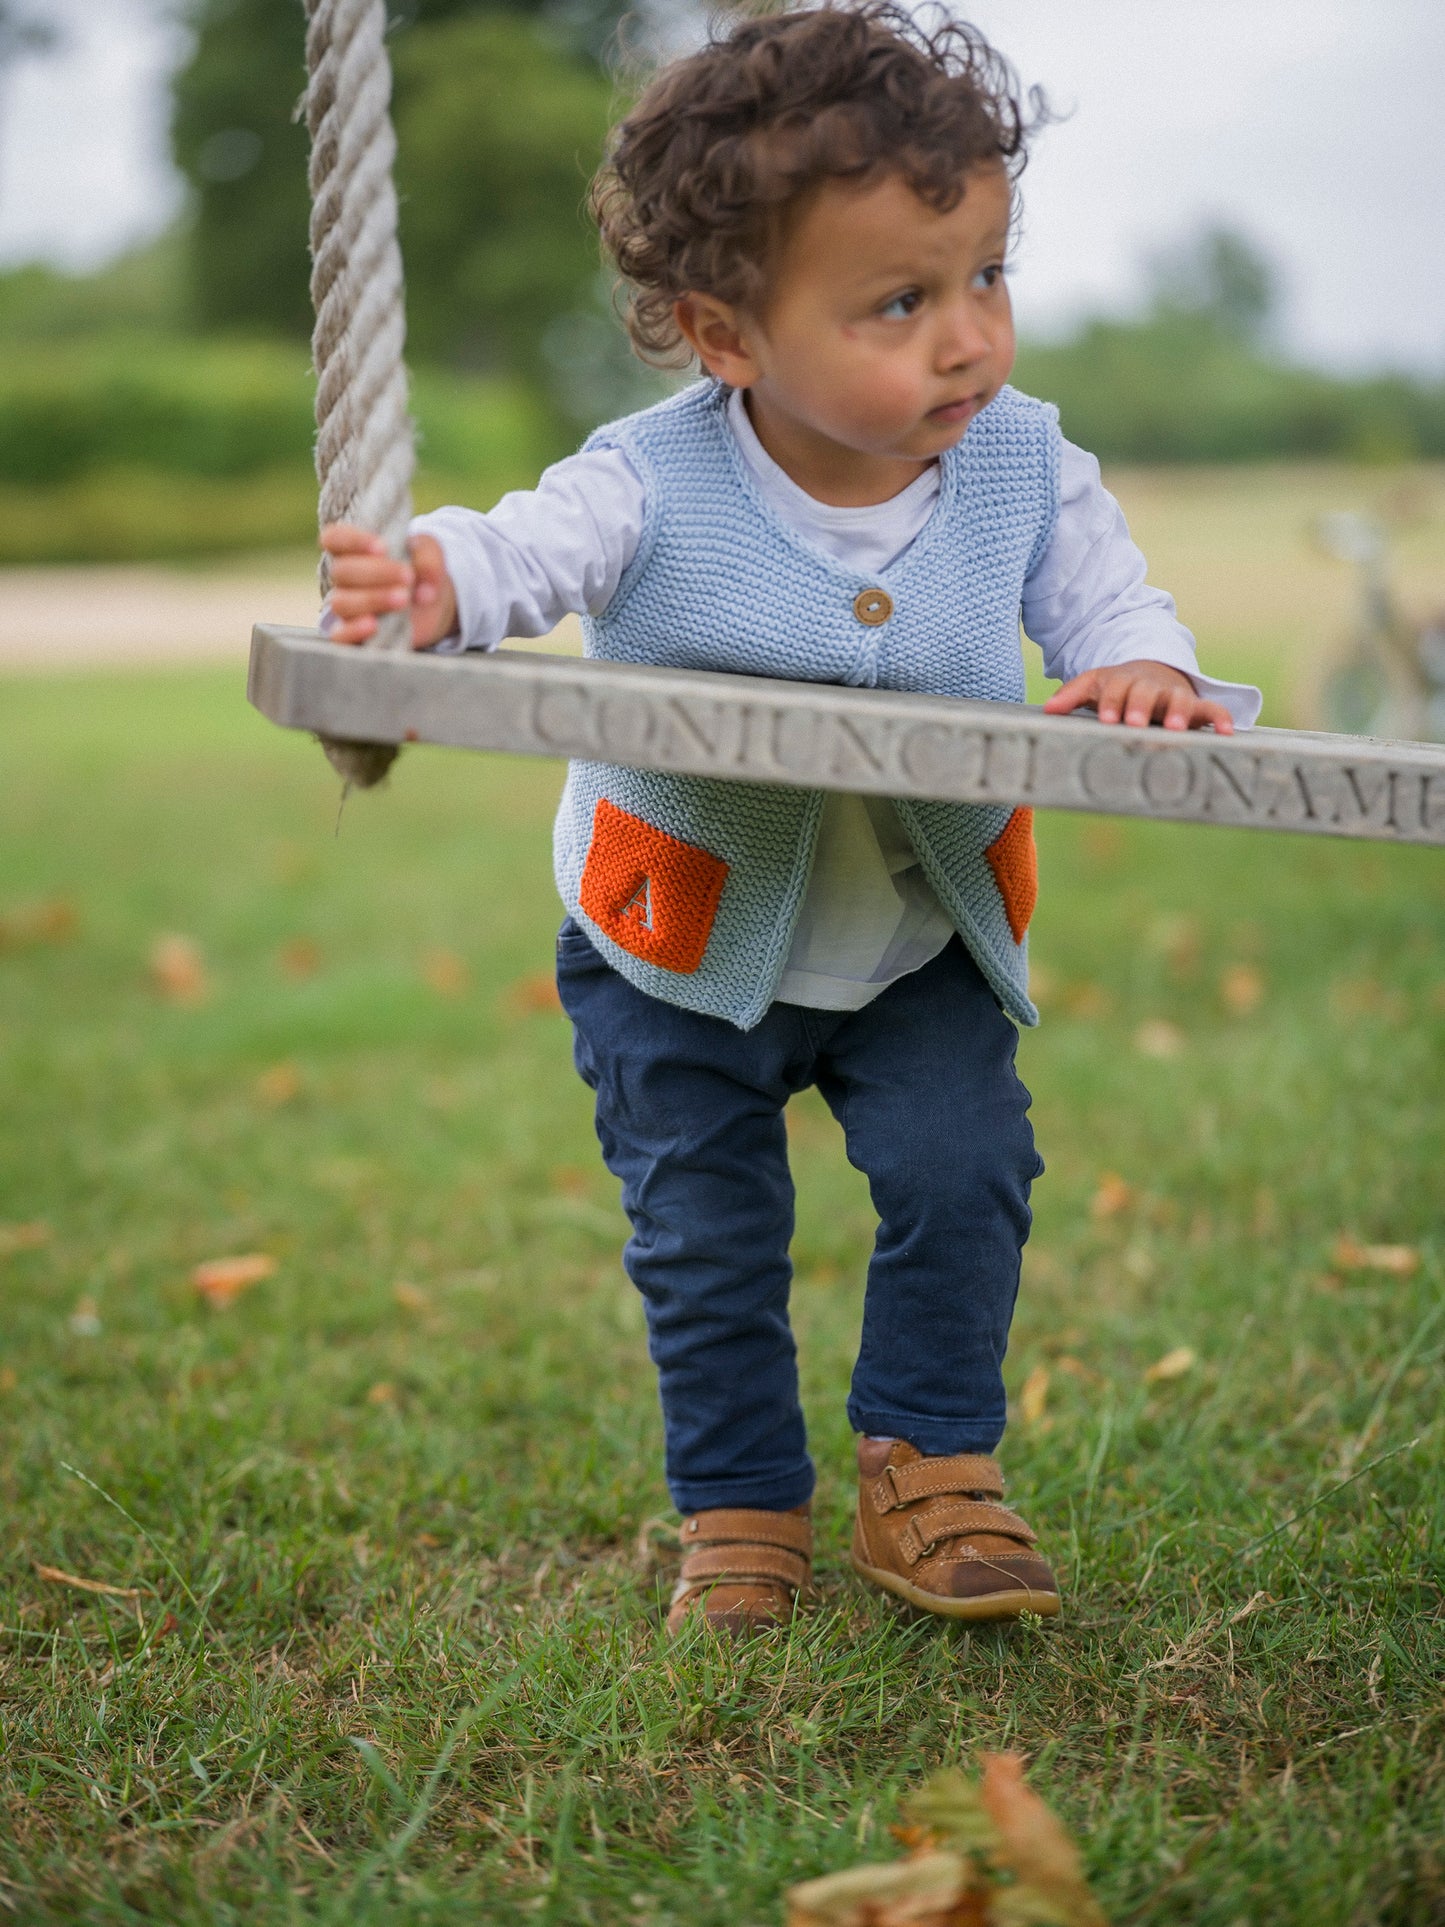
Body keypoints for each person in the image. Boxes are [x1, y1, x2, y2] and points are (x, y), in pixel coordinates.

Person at [319, 2, 1260, 1635]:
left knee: (966, 1172)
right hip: (674, 945)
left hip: (917, 938)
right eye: (900, 301)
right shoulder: (648, 477)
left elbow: (1112, 599)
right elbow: (525, 551)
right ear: (727, 335)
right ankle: (742, 1504)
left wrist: (1140, 664)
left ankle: (929, 1468)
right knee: (706, 1233)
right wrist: (434, 582)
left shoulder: (1023, 464)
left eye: (985, 276)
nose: (966, 339)